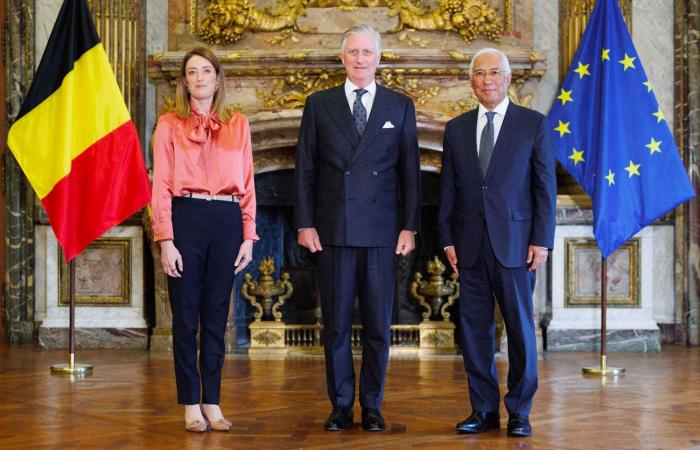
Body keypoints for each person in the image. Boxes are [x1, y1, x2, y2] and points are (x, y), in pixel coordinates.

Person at [295, 24, 420, 432]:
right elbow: (306, 170)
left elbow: (410, 173)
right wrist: (305, 223)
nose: (361, 59)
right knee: (334, 324)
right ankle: (341, 405)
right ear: (342, 57)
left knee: (378, 325)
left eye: (368, 52)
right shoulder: (319, 104)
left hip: (383, 233)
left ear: (379, 58)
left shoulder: (399, 106)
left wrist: (409, 227)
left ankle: (372, 405)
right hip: (333, 231)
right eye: (353, 52)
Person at [437, 48, 556, 437]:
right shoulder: (455, 129)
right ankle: (483, 410)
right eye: (479, 73)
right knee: (474, 333)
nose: (487, 79)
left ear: (508, 78)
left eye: (494, 72)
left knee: (521, 331)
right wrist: (447, 240)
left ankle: (519, 411)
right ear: (471, 81)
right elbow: (448, 191)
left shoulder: (533, 125)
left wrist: (542, 240)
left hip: (518, 246)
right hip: (468, 247)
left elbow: (544, 189)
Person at [151, 47, 258, 433]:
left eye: (206, 71)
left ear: (217, 78)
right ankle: (190, 403)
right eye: (192, 72)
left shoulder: (238, 123)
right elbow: (160, 184)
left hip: (227, 219)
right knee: (186, 316)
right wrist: (166, 239)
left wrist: (248, 235)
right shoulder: (168, 124)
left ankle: (213, 400)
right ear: (184, 81)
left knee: (216, 316)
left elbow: (247, 184)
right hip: (186, 216)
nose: (199, 78)